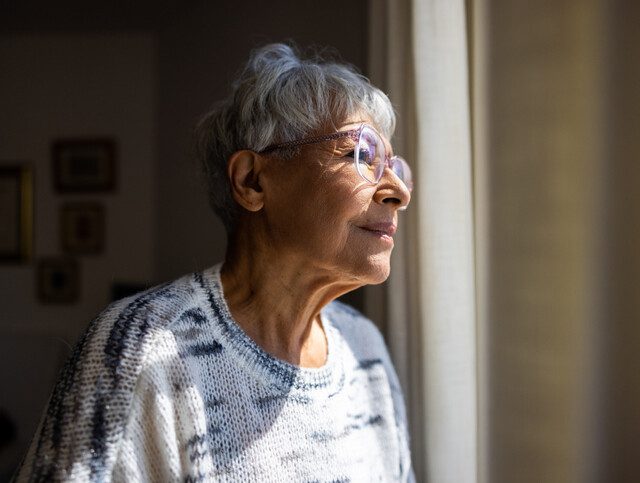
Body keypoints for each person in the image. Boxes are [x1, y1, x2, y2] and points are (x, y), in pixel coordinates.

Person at [14, 43, 414, 482]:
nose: (398, 191)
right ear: (252, 181)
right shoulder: (142, 347)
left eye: (394, 165)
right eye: (361, 156)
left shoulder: (365, 349)